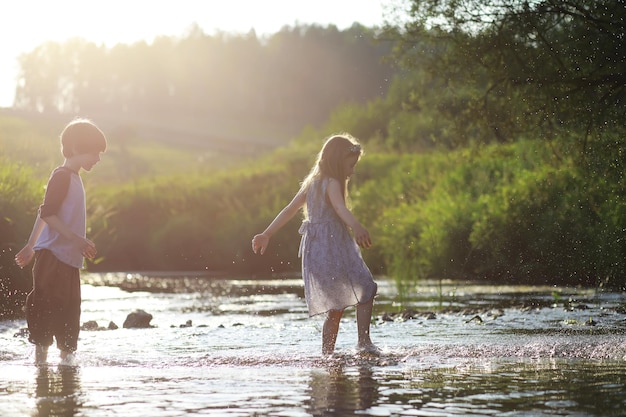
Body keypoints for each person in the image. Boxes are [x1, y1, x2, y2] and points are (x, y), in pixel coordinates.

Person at [252, 134, 379, 355]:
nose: (353, 171)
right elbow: (340, 209)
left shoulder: (313, 184)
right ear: (338, 161)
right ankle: (363, 343)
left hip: (316, 250)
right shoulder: (332, 183)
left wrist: (267, 233)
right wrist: (357, 227)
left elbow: (289, 210)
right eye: (351, 165)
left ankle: (327, 353)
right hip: (333, 247)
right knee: (366, 287)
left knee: (336, 306)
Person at [15, 118, 107, 366]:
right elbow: (47, 213)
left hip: (69, 260)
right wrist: (35, 245)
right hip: (53, 256)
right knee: (45, 306)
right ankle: (41, 366)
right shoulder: (62, 175)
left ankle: (67, 366)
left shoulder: (75, 178)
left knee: (70, 310)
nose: (98, 158)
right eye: (95, 152)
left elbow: (45, 211)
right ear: (77, 148)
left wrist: (74, 243)